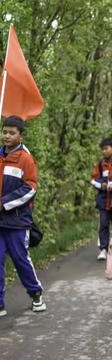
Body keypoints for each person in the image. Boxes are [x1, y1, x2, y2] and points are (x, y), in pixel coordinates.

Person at [0, 116, 46, 317]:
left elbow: (30, 188)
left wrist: (4, 203)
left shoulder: (25, 158)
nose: (7, 136)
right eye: (4, 132)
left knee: (21, 259)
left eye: (12, 133)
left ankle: (35, 294)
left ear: (21, 135)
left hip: (18, 221)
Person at [90, 137, 112, 260]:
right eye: (102, 149)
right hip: (103, 201)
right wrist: (102, 185)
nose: (104, 151)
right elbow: (92, 180)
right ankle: (103, 249)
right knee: (103, 225)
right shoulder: (101, 164)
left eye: (106, 148)